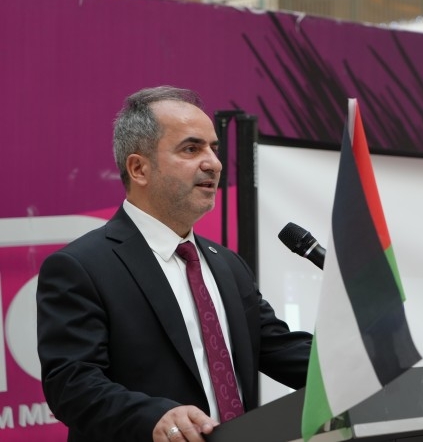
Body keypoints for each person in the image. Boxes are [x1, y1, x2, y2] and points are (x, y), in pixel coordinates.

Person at [36, 86, 312, 442]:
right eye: (191, 149)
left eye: (214, 148)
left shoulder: (227, 264)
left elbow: (280, 349)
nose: (214, 163)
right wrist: (155, 417)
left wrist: (362, 362)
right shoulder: (81, 267)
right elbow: (72, 385)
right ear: (139, 168)